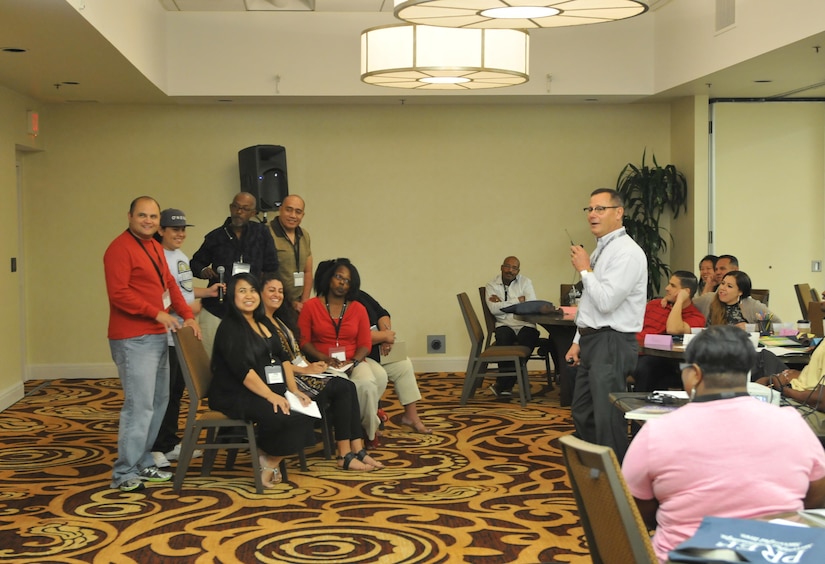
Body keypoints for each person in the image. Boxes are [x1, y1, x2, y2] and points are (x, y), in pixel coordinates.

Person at [622, 325, 825, 563]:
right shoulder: (792, 423)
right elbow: (816, 497)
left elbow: (634, 508)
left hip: (684, 556)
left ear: (695, 373)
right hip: (772, 556)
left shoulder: (657, 432)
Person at [104, 196, 201, 493]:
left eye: (153, 216)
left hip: (159, 335)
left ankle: (143, 459)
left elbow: (170, 284)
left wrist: (187, 315)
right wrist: (156, 312)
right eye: (142, 215)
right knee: (139, 407)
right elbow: (118, 293)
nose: (148, 220)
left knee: (159, 403)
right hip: (133, 339)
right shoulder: (118, 249)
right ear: (130, 216)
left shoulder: (154, 247)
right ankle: (124, 471)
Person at [260, 272, 383, 470]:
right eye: (271, 290)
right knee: (343, 387)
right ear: (260, 294)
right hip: (283, 380)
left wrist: (309, 366)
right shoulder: (260, 324)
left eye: (280, 291)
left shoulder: (278, 320)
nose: (277, 295)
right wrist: (305, 369)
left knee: (348, 386)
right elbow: (270, 363)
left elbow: (293, 354)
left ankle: (357, 449)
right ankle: (345, 455)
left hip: (299, 371)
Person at [208, 273, 316, 487]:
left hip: (263, 389)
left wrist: (293, 390)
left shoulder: (262, 322)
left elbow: (283, 358)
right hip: (235, 393)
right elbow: (243, 371)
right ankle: (268, 461)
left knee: (307, 409)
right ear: (232, 296)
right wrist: (270, 395)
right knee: (285, 415)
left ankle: (268, 457)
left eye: (252, 290)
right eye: (242, 291)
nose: (249, 295)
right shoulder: (230, 327)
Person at [565, 188, 647, 462]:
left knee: (607, 417)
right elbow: (589, 302)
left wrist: (585, 270)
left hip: (612, 341)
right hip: (593, 341)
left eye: (600, 209)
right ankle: (597, 473)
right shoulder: (604, 248)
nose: (593, 215)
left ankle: (621, 486)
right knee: (583, 411)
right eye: (589, 209)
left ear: (619, 212)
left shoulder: (627, 252)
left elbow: (607, 302)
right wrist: (578, 341)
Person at [150, 208, 222, 469]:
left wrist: (208, 293)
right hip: (163, 335)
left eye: (182, 229)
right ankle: (155, 446)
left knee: (176, 392)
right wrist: (186, 310)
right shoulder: (156, 257)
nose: (180, 234)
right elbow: (159, 299)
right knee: (163, 394)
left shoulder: (179, 256)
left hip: (181, 335)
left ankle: (169, 443)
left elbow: (184, 292)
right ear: (161, 231)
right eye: (174, 229)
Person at [298, 259, 386, 446]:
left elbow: (364, 343)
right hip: (323, 363)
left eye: (347, 281)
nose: (342, 283)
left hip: (353, 361)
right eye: (339, 277)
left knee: (368, 386)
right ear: (330, 278)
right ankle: (356, 433)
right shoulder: (310, 307)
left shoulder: (358, 309)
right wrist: (324, 358)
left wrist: (354, 361)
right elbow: (303, 341)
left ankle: (369, 432)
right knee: (346, 389)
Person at [190, 192, 279, 354]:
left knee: (246, 360)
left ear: (253, 213)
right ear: (231, 208)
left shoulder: (262, 234)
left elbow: (272, 267)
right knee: (211, 360)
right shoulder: (215, 236)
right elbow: (195, 263)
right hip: (217, 309)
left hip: (249, 311)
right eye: (236, 207)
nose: (239, 212)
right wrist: (203, 271)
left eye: (245, 209)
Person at [633, 271, 706, 392]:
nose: (666, 288)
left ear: (686, 292)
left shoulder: (695, 316)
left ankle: (640, 407)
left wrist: (679, 302)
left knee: (646, 368)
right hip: (634, 352)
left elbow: (673, 329)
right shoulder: (655, 305)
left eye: (672, 286)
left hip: (661, 358)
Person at [483, 256, 540, 397]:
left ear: (518, 271)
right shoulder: (491, 285)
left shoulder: (526, 282)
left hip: (525, 323)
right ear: (501, 267)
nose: (510, 270)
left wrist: (503, 303)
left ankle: (503, 385)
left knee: (528, 339)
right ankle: (507, 385)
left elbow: (530, 305)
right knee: (503, 341)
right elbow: (494, 309)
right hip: (504, 323)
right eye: (508, 266)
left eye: (514, 268)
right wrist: (518, 300)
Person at [269, 194, 313, 313]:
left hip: (299, 304)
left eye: (298, 212)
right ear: (280, 209)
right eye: (289, 210)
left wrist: (304, 302)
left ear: (302, 215)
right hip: (274, 302)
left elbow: (308, 271)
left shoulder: (304, 235)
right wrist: (290, 303)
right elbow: (264, 274)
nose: (293, 215)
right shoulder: (267, 233)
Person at [703, 270, 780, 327]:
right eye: (722, 283)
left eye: (729, 286)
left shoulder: (752, 306)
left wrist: (751, 327)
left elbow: (778, 325)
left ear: (740, 291)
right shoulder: (709, 299)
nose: (722, 288)